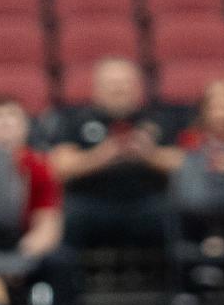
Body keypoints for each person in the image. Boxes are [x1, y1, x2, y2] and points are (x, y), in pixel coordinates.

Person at [48, 57, 183, 254]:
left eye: (124, 83)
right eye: (111, 84)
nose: (118, 90)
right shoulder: (75, 119)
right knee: (67, 222)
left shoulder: (158, 119)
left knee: (177, 219)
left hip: (148, 203)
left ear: (137, 88)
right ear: (97, 88)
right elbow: (59, 167)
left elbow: (183, 164)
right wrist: (103, 155)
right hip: (91, 204)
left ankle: (179, 285)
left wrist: (149, 155)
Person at [0, 98, 75, 305]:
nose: (3, 123)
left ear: (25, 126)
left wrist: (17, 259)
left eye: (11, 116)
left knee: (60, 260)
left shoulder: (39, 167)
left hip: (21, 249)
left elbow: (48, 226)